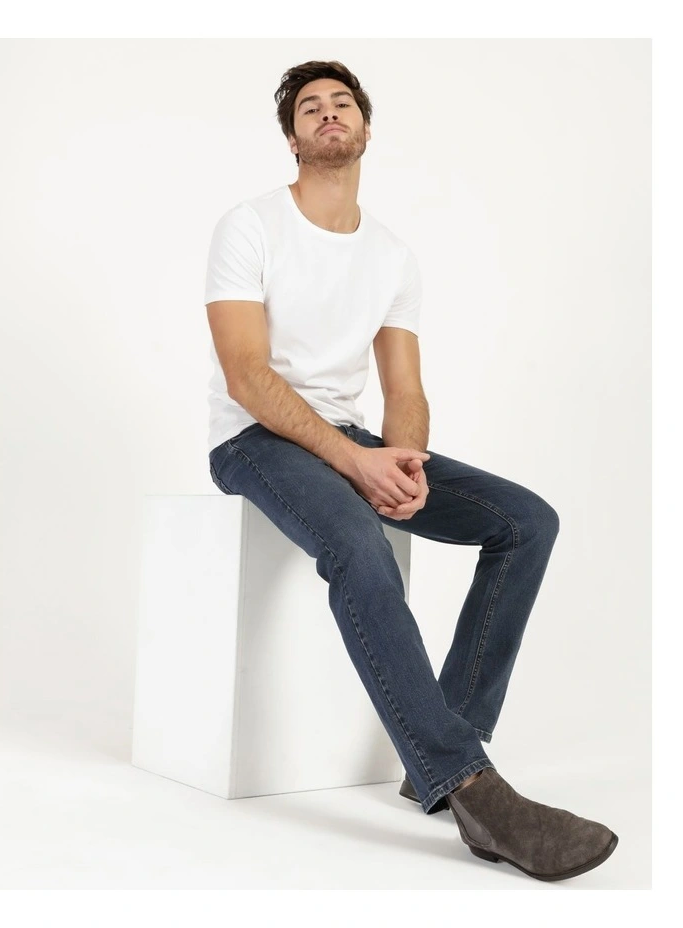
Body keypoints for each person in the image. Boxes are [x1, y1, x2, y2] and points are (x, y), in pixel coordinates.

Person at [205, 59, 618, 881]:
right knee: (358, 544)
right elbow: (247, 375)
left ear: (364, 128)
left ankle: (445, 739)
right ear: (293, 140)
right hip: (255, 441)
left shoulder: (391, 255)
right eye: (310, 108)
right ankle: (469, 787)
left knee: (525, 522)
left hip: (351, 437)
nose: (328, 113)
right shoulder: (249, 226)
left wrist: (407, 462)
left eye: (342, 103)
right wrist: (354, 463)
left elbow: (405, 390)